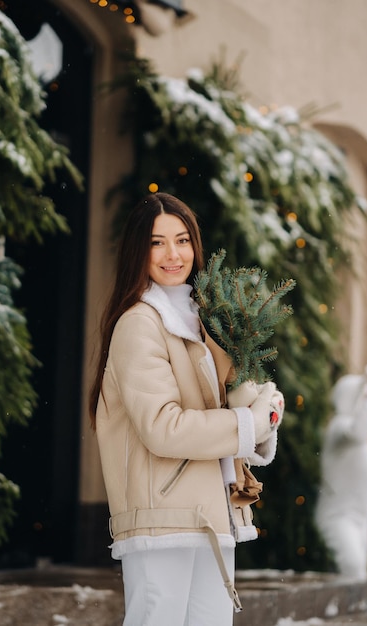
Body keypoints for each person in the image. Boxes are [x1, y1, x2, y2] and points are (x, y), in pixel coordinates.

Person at [89, 192, 284, 625]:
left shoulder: (202, 320)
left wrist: (261, 411)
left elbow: (220, 401)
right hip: (164, 516)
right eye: (157, 243)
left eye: (182, 240)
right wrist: (245, 423)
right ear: (139, 251)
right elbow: (163, 427)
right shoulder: (139, 323)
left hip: (210, 512)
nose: (173, 254)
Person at [315, 365, 367, 580]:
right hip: (339, 517)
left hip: (360, 517)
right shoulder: (339, 428)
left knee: (357, 576)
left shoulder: (363, 444)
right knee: (353, 569)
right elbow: (359, 431)